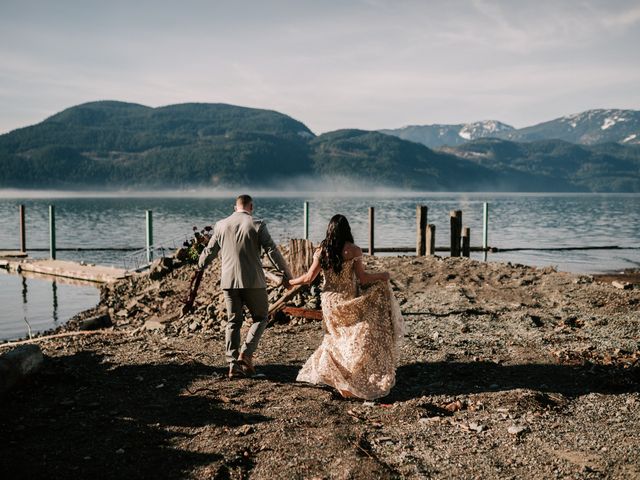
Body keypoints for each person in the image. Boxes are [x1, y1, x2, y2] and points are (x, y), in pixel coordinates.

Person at [289, 214, 404, 400]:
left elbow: (309, 278)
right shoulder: (354, 250)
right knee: (352, 336)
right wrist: (382, 275)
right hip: (349, 300)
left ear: (329, 230)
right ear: (347, 230)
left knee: (333, 338)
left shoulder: (321, 251)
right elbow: (363, 278)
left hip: (329, 302)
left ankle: (337, 377)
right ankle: (348, 377)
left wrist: (290, 281)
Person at [198, 194, 292, 379]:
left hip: (229, 282)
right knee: (261, 317)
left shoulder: (221, 225)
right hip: (253, 281)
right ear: (251, 206)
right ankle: (246, 354)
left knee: (233, 321)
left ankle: (232, 364)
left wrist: (200, 264)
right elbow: (272, 250)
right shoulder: (257, 224)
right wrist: (286, 274)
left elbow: (210, 251)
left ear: (235, 207)